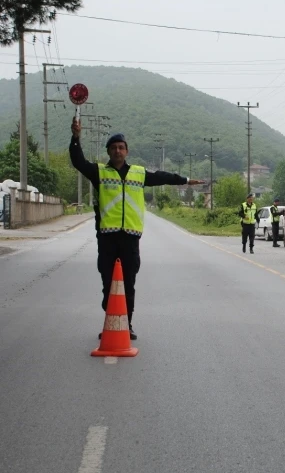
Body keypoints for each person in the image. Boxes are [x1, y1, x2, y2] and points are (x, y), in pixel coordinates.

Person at [69, 118, 204, 340]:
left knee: (128, 283)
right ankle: (111, 319)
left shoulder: (139, 174)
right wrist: (76, 138)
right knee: (107, 282)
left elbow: (163, 177)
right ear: (108, 152)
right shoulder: (99, 172)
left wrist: (186, 180)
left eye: (121, 147)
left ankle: (127, 324)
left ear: (127, 151)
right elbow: (78, 161)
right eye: (113, 148)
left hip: (130, 238)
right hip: (107, 238)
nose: (117, 151)